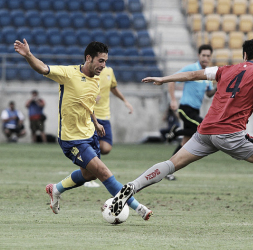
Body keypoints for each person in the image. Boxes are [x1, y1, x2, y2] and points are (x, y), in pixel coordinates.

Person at [110, 39, 253, 222]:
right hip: (230, 134)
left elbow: (192, 75)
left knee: (172, 163)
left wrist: (164, 79)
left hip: (205, 131)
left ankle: (132, 186)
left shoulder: (225, 70)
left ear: (244, 55)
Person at [14, 39, 152, 220]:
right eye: (101, 61)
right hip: (72, 139)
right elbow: (43, 68)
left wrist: (96, 122)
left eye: (105, 61)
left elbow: (87, 105)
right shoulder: (68, 74)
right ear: (89, 58)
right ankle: (137, 207)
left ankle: (55, 189)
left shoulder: (95, 80)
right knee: (103, 172)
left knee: (89, 175)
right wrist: (29, 56)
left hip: (90, 134)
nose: (104, 65)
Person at [165, 44, 217, 180]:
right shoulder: (192, 69)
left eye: (208, 56)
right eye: (203, 55)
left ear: (210, 57)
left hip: (194, 110)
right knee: (202, 126)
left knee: (185, 144)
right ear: (199, 56)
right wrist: (173, 100)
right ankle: (175, 131)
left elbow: (209, 94)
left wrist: (218, 86)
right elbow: (172, 81)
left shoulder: (208, 74)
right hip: (185, 108)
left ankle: (168, 170)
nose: (205, 58)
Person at [84, 66, 134, 188]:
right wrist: (90, 97)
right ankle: (89, 175)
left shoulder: (109, 71)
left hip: (105, 116)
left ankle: (87, 161)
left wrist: (125, 100)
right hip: (91, 115)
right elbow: (79, 89)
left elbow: (113, 88)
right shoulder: (87, 70)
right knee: (93, 146)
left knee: (106, 148)